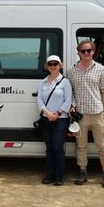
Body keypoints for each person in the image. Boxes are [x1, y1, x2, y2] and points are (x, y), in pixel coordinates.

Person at [67, 39, 104, 188]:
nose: (86, 53)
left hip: (97, 113)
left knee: (102, 145)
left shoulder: (101, 69)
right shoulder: (71, 71)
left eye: (89, 50)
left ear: (93, 51)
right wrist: (72, 106)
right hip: (81, 115)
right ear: (78, 52)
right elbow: (70, 93)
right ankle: (83, 172)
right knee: (81, 146)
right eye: (83, 51)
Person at [37, 55, 72, 186]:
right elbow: (39, 100)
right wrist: (47, 113)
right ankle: (50, 174)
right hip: (46, 119)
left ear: (60, 66)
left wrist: (57, 113)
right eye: (50, 64)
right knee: (49, 148)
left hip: (60, 120)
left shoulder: (65, 82)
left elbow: (68, 100)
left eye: (55, 64)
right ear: (47, 66)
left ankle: (59, 176)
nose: (53, 66)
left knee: (58, 148)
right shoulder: (42, 82)